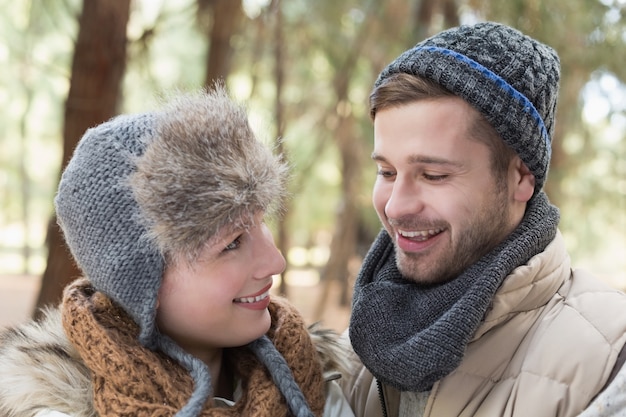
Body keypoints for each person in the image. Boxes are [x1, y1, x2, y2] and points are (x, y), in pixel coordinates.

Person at [0, 86, 355, 417]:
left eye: (261, 224)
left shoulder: (311, 378)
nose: (275, 261)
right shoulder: (53, 408)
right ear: (141, 286)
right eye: (231, 243)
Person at [340, 21, 626, 417]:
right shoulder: (352, 350)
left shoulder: (610, 357)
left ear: (521, 177)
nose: (395, 207)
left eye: (433, 175)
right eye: (387, 173)